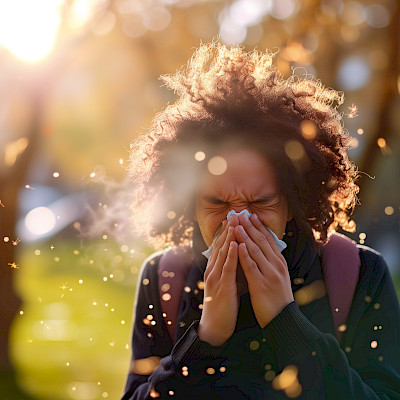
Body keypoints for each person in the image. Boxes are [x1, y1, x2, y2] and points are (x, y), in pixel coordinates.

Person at [121, 43, 400, 399]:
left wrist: (287, 324)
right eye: (217, 202)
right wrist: (204, 340)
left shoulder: (360, 274)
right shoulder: (165, 280)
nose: (237, 221)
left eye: (259, 202)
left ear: (293, 201)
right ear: (189, 204)